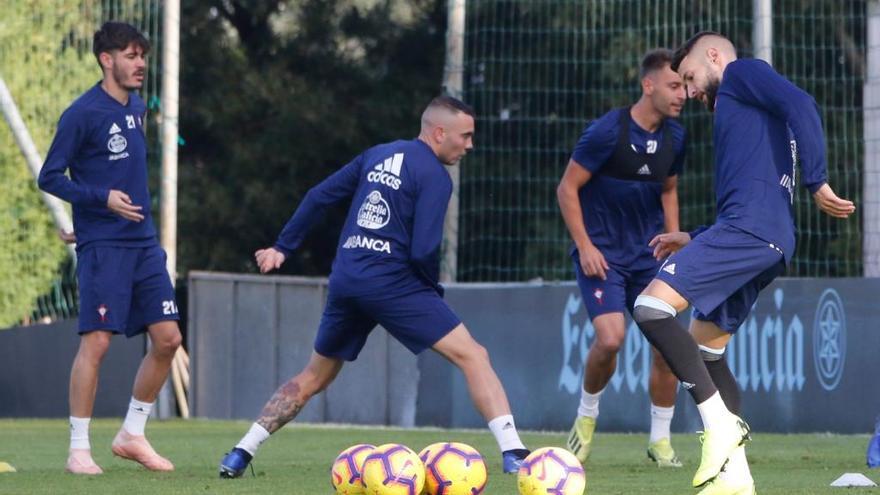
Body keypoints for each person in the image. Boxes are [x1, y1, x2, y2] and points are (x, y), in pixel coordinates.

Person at [218, 95, 530, 478]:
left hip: (348, 279)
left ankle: (240, 452)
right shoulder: (435, 177)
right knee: (474, 356)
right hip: (393, 282)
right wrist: (431, 289)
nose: (469, 145)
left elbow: (319, 196)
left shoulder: (377, 155)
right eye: (465, 136)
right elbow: (423, 250)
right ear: (439, 132)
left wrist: (282, 246)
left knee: (315, 376)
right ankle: (514, 452)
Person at [630, 32, 855, 494]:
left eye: (690, 77)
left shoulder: (742, 74)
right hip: (765, 238)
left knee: (650, 308)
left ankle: (721, 426)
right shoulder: (743, 112)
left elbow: (804, 104)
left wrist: (817, 181)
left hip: (750, 233)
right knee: (707, 352)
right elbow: (756, 193)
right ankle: (737, 479)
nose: (689, 92)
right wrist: (694, 237)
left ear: (714, 56)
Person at [38, 22, 182, 475]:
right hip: (105, 248)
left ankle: (131, 435)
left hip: (143, 244)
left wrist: (93, 215)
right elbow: (51, 177)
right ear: (107, 59)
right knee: (97, 343)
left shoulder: (137, 106)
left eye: (143, 55)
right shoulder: (81, 114)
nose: (141, 64)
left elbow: (115, 172)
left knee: (168, 339)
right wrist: (100, 205)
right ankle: (78, 449)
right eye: (131, 55)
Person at [557, 49, 686, 467]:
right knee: (611, 339)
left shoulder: (676, 136)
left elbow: (668, 189)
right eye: (673, 85)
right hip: (604, 256)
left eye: (684, 85)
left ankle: (661, 441)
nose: (682, 93)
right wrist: (585, 246)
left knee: (668, 345)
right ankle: (586, 420)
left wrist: (672, 241)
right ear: (648, 85)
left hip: (648, 256)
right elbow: (567, 189)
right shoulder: (606, 132)